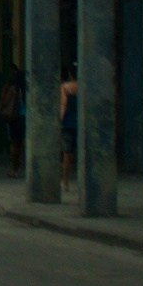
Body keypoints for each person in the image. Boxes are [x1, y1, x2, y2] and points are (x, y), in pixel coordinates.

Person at [60, 62, 79, 193]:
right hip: (82, 124)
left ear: (70, 74)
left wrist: (59, 120)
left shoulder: (66, 87)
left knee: (67, 155)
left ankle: (65, 182)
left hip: (68, 124)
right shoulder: (85, 87)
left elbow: (64, 104)